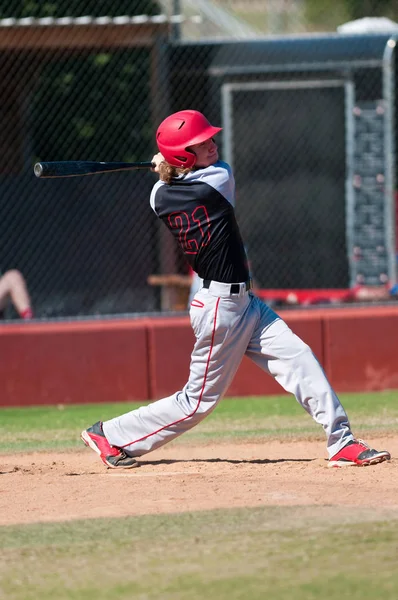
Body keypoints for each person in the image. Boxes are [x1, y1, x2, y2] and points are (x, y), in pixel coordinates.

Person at [81, 109, 391, 469]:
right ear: (182, 156)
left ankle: (342, 442)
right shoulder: (217, 181)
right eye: (201, 143)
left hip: (243, 303)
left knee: (299, 357)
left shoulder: (159, 196)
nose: (213, 145)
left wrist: (167, 167)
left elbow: (167, 186)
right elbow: (198, 175)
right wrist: (169, 165)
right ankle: (110, 434)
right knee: (197, 403)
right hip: (219, 309)